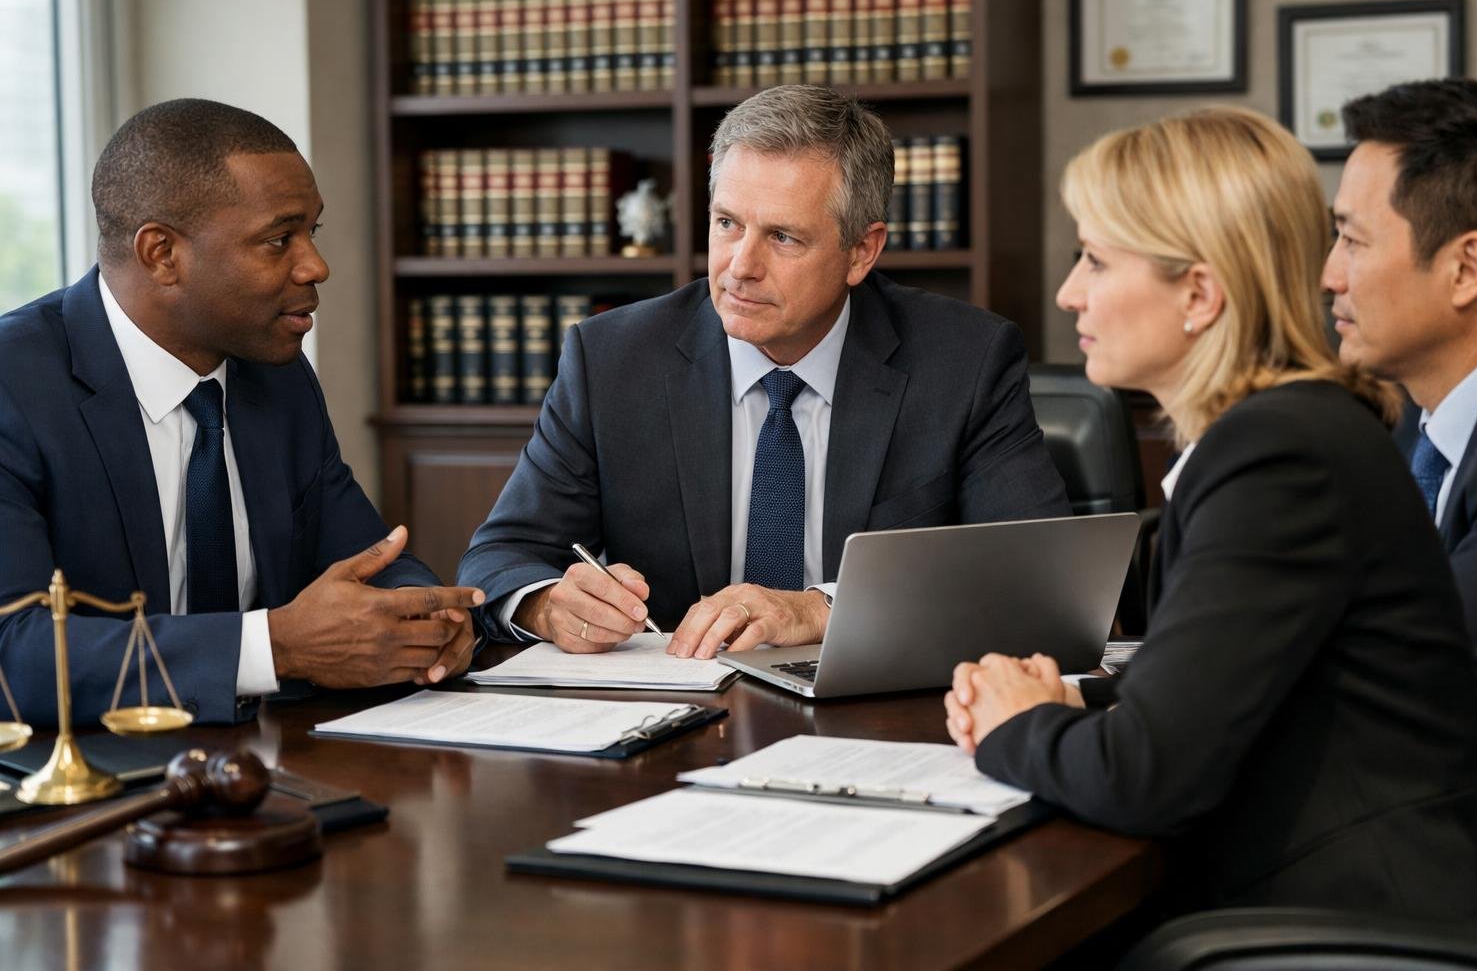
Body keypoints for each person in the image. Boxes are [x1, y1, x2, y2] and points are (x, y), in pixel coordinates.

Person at [944, 106, 1477, 921]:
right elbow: (1240, 679)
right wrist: (1083, 707)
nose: (1067, 293)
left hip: (1360, 924)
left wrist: (1020, 725)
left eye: (1095, 260)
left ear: (1199, 292)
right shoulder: (1292, 430)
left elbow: (1146, 776)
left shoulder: (1277, 455)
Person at [459, 84, 1068, 656]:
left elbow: (1036, 578)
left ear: (862, 251)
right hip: (674, 712)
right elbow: (502, 555)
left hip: (871, 716)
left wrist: (822, 609)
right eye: (727, 224)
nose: (740, 266)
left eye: (782, 236)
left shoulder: (963, 361)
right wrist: (546, 605)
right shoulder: (613, 359)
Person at [0, 99, 484, 727]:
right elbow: (14, 654)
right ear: (161, 253)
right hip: (74, 793)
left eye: (313, 232)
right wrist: (275, 646)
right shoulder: (15, 386)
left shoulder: (277, 377)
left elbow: (365, 560)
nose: (315, 266)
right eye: (279, 239)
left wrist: (427, 622)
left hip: (267, 770)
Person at [1325, 78, 1477, 876]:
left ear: (1465, 268)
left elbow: (1401, 680)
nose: (1329, 277)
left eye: (1352, 240)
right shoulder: (1420, 418)